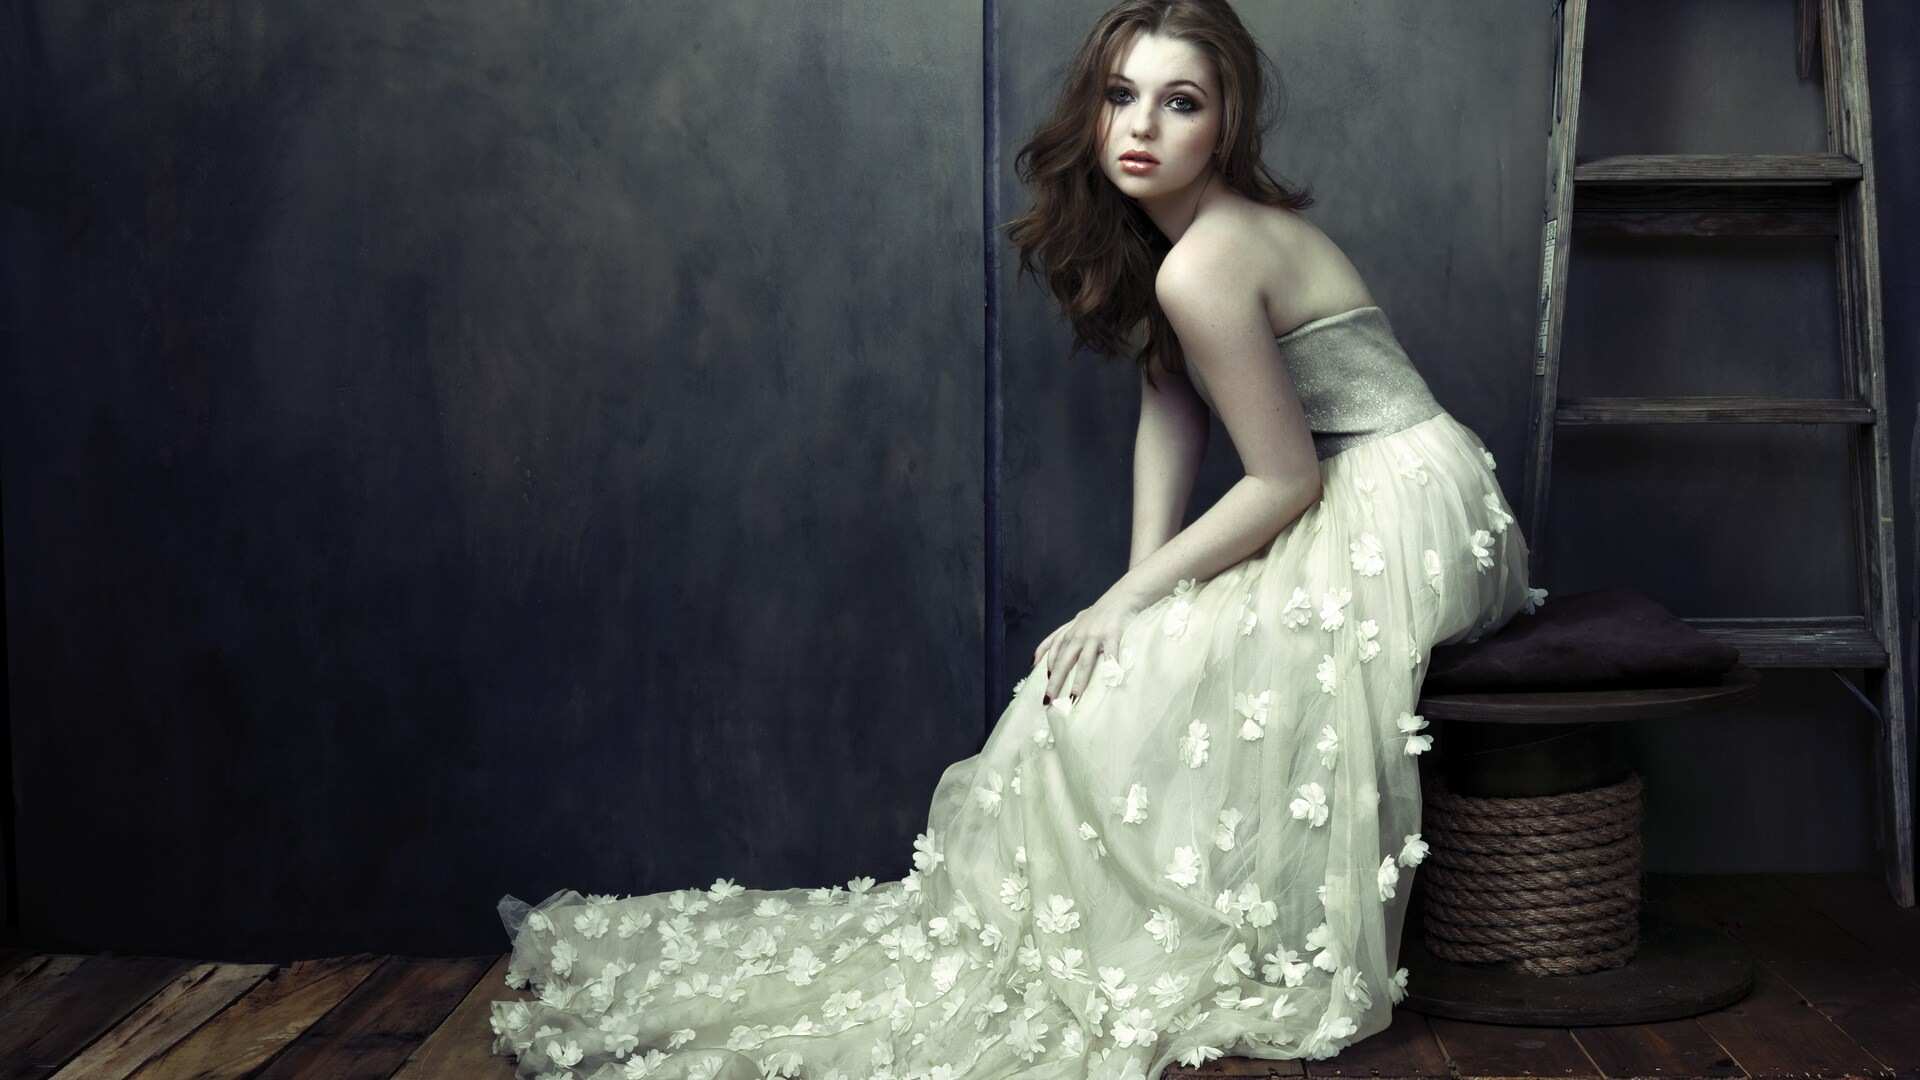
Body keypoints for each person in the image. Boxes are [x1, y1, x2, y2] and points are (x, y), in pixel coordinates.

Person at [486, 1, 1538, 1076]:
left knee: (1121, 682)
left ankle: (1139, 934)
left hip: (1395, 501)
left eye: (1181, 102)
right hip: (1398, 480)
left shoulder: (1209, 257)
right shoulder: (1174, 242)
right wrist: (1141, 589)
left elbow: (1284, 477)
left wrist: (1124, 605)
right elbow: (1169, 398)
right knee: (1125, 661)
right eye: (1121, 96)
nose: (1142, 126)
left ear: (1225, 123)